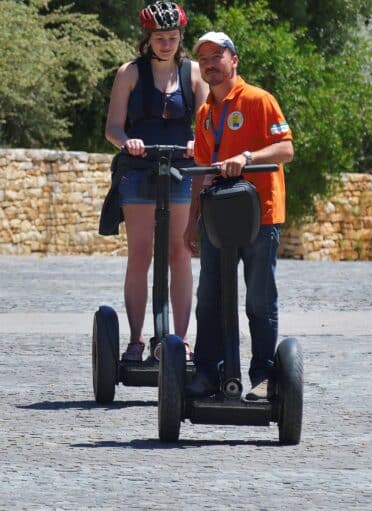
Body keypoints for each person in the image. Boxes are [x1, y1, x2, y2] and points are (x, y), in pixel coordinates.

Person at [182, 31, 295, 400]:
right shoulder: (205, 113)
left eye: (217, 55)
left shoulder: (258, 100)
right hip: (217, 220)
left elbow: (285, 149)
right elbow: (201, 170)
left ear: (234, 60)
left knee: (258, 301)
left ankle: (263, 376)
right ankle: (208, 373)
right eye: (204, 58)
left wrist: (246, 158)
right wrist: (192, 220)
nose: (210, 63)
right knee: (209, 298)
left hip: (259, 217)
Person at [103, 1, 209, 361]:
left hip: (180, 170)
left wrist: (199, 143)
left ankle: (180, 341)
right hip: (139, 168)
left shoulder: (193, 74)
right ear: (147, 39)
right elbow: (113, 128)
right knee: (141, 254)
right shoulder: (129, 73)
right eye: (160, 38)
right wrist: (126, 141)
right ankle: (135, 339)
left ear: (182, 38)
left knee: (180, 253)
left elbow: (206, 124)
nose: (166, 44)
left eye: (173, 37)